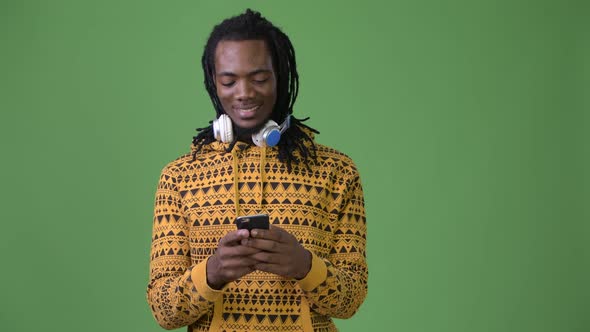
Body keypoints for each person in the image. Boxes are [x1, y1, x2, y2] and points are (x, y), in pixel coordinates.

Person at [147, 9, 367, 332]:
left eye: (260, 78)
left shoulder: (336, 173)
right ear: (213, 83)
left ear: (280, 75)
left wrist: (306, 267)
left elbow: (352, 298)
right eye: (229, 80)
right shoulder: (178, 178)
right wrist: (211, 273)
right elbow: (164, 310)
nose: (245, 92)